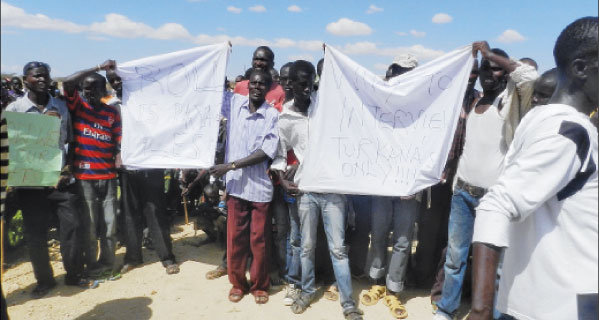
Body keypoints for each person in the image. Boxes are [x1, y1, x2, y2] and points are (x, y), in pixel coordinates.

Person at [468, 16, 598, 320]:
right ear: (580, 69)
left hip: (559, 296)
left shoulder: (541, 121)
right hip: (570, 302)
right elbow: (497, 204)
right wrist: (479, 310)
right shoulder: (568, 131)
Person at [433, 43, 538, 320]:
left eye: (494, 70)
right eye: (483, 70)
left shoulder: (510, 104)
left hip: (494, 200)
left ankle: (495, 313)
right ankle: (447, 308)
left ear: (504, 74)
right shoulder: (476, 100)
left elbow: (529, 77)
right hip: (463, 193)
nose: (487, 74)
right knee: (455, 258)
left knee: (498, 265)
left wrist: (490, 55)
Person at [276, 60, 363, 320]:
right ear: (290, 84)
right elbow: (280, 154)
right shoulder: (286, 117)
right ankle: (306, 290)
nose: (307, 89)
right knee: (307, 246)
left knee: (338, 248)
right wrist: (282, 179)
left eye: (311, 83)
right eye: (301, 84)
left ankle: (348, 303)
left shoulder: (327, 107)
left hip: (333, 190)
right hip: (306, 190)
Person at [6, 61, 88, 297]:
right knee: (35, 234)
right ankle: (45, 280)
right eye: (36, 76)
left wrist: (67, 170)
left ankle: (74, 274)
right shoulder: (14, 111)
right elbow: (9, 148)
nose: (42, 79)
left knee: (72, 228)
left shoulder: (61, 108)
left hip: (60, 181)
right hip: (29, 183)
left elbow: (71, 142)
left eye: (46, 76)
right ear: (25, 80)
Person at [209, 69, 279, 304]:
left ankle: (260, 285)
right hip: (237, 187)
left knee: (259, 242)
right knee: (235, 239)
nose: (257, 87)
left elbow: (264, 152)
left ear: (268, 88)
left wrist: (231, 165)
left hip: (259, 188)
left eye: (262, 85)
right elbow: (213, 92)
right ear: (248, 86)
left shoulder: (272, 116)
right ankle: (238, 283)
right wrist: (221, 56)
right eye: (254, 84)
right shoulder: (234, 105)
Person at [417, 60, 482, 297]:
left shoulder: (479, 100)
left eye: (476, 72)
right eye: (468, 71)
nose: (472, 76)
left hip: (464, 173)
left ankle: (442, 283)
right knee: (429, 228)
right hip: (437, 174)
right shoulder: (442, 98)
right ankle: (421, 277)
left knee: (451, 233)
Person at [361, 55, 418, 319]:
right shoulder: (379, 104)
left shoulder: (424, 107)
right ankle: (376, 282)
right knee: (379, 233)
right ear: (390, 74)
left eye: (408, 73)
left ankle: (394, 289)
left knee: (404, 240)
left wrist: (416, 180)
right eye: (398, 72)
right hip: (382, 184)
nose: (402, 77)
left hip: (410, 185)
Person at [62, 62, 122, 277]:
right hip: (84, 178)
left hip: (108, 177)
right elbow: (68, 82)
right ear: (82, 90)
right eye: (87, 88)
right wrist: (97, 67)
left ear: (104, 90)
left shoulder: (112, 112)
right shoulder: (78, 107)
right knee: (89, 227)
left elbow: (117, 142)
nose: (91, 92)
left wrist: (119, 160)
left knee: (109, 225)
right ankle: (92, 265)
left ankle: (107, 264)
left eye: (96, 88)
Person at [234, 46, 285, 111]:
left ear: (272, 64)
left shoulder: (281, 92)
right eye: (256, 59)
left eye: (263, 60)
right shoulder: (240, 86)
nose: (258, 63)